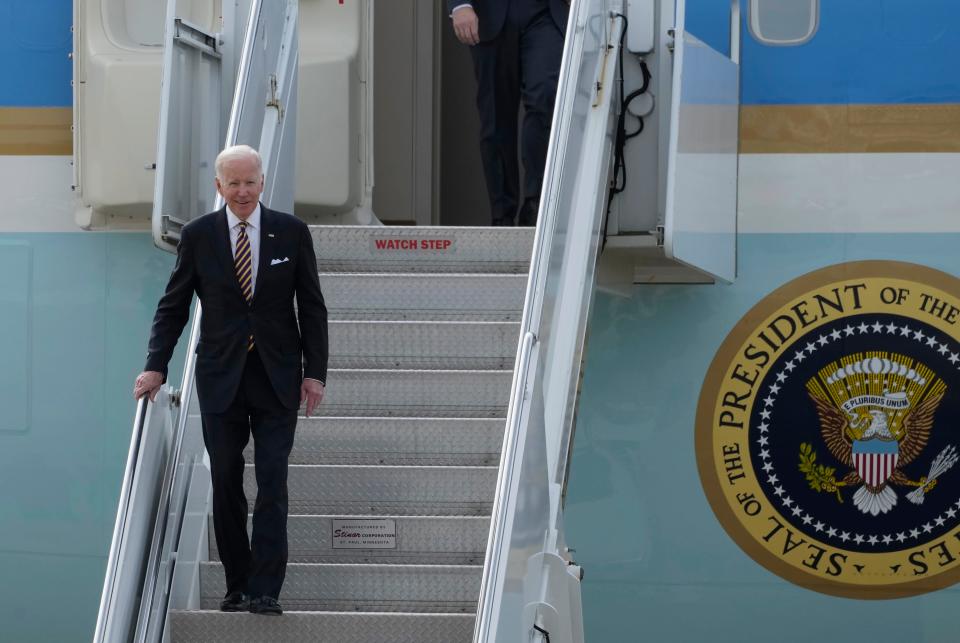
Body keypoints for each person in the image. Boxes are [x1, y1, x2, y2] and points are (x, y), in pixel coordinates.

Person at [133, 145, 328, 616]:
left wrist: (315, 374)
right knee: (224, 480)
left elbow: (312, 306)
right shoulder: (200, 236)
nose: (243, 192)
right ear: (218, 186)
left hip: (278, 377)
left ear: (263, 182)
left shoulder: (291, 232)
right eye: (233, 183)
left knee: (272, 480)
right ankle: (237, 583)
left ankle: (267, 589)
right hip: (221, 377)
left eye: (250, 182)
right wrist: (156, 364)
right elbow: (174, 305)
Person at [448, 0, 568, 226]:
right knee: (495, 118)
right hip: (489, 14)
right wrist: (459, 4)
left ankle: (536, 203)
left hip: (545, 13)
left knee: (545, 96)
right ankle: (502, 214)